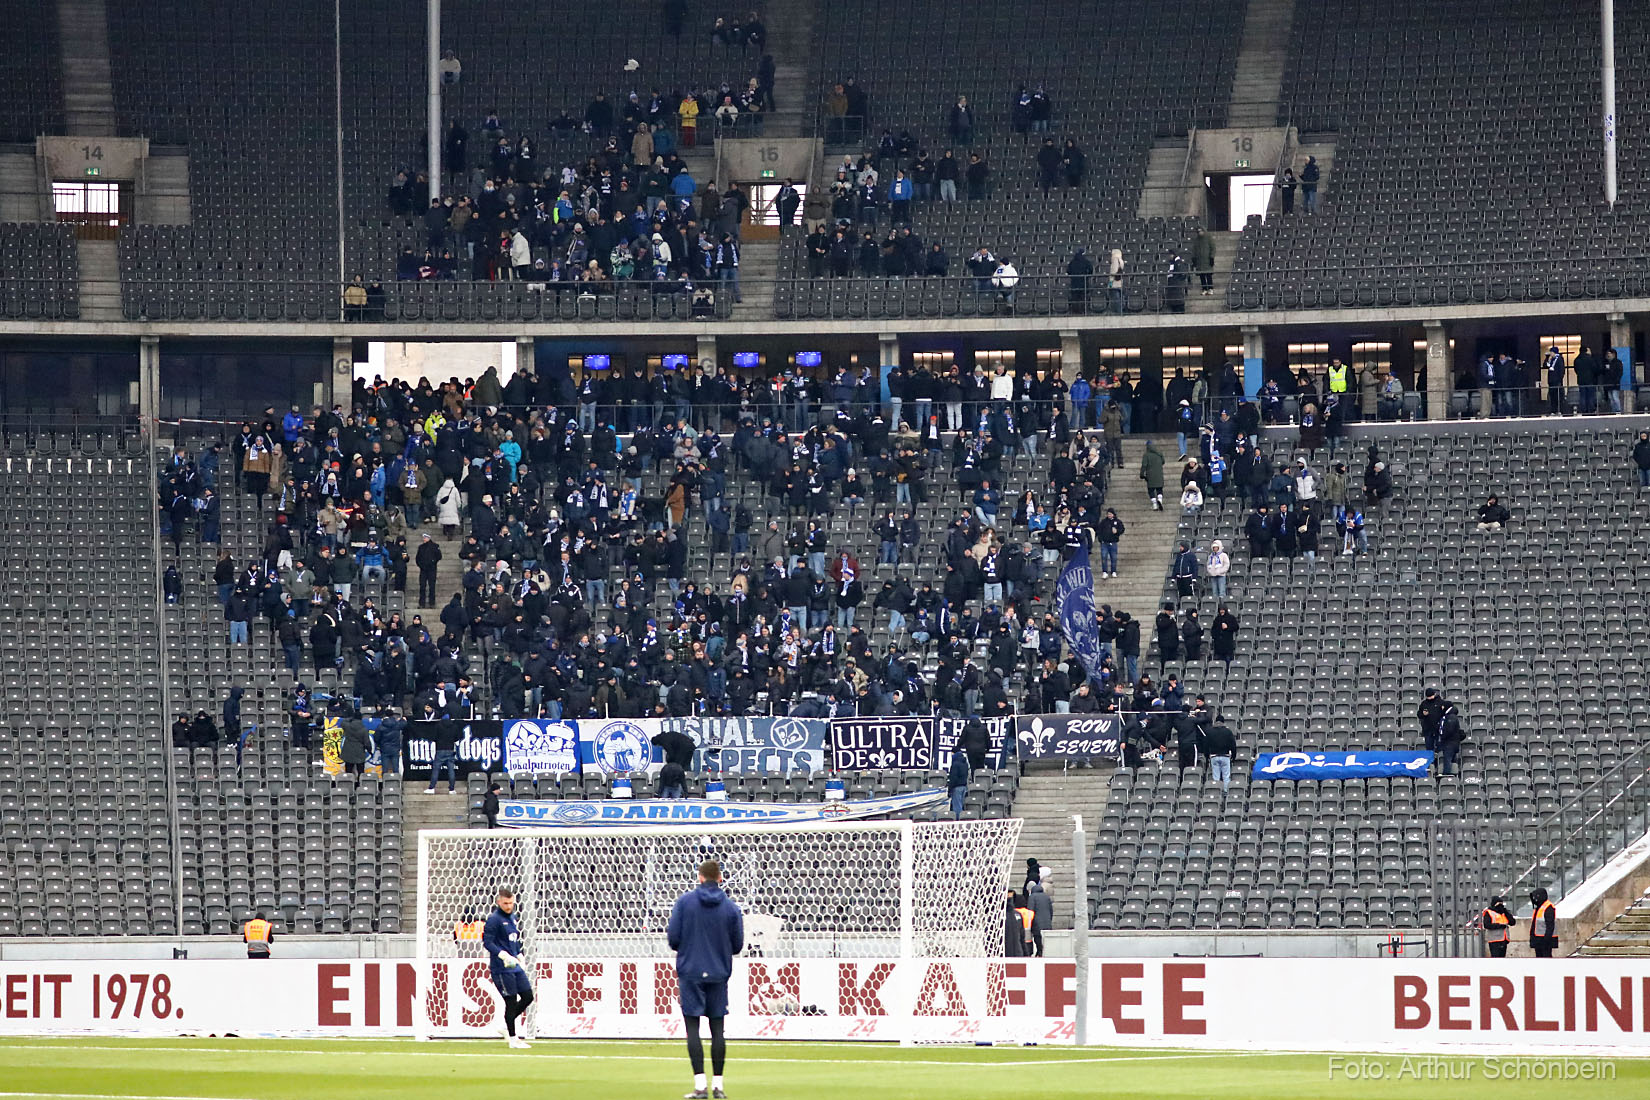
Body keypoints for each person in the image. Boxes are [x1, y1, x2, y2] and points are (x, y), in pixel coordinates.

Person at [668, 860, 744, 1100]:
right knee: (717, 1028)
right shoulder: (731, 908)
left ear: (700, 877)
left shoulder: (684, 903)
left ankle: (700, 1085)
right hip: (718, 972)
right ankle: (718, 1086)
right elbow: (738, 945)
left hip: (691, 971)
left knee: (693, 1028)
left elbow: (673, 939)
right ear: (719, 878)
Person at [484, 888, 535, 1048]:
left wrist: (519, 954)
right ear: (499, 902)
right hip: (501, 967)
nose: (508, 906)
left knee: (527, 996)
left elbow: (513, 939)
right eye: (505, 903)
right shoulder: (494, 920)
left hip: (514, 965)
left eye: (511, 903)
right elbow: (488, 942)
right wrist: (502, 955)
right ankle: (513, 1039)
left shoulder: (513, 917)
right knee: (511, 1001)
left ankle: (506, 1025)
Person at [1204, 714, 1236, 791]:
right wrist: (1233, 756)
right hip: (1225, 756)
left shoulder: (1210, 731)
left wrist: (1207, 756)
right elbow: (1233, 745)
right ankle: (1225, 792)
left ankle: (1216, 792)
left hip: (1214, 756)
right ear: (1223, 722)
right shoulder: (1228, 731)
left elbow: (1205, 745)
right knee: (1226, 777)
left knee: (1216, 777)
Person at [1026, 880, 1053, 957]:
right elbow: (1051, 910)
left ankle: (1039, 952)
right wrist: (1049, 920)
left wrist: (1029, 924)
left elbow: (1030, 911)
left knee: (1038, 939)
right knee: (1046, 941)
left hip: (1036, 923)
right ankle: (1043, 953)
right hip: (1047, 923)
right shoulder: (1047, 897)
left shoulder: (1032, 897)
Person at [1528, 888, 1558, 957]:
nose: (1534, 899)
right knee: (1539, 958)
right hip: (1538, 939)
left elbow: (1550, 925)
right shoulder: (1539, 907)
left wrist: (1547, 939)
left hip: (1544, 939)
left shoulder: (1548, 907)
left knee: (1546, 957)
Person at [1437, 703, 1463, 776]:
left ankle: (1446, 774)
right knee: (1452, 759)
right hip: (1452, 742)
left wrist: (1443, 737)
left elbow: (1449, 731)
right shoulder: (1450, 716)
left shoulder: (1450, 717)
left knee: (1447, 758)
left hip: (1449, 743)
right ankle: (1452, 774)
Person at [1138, 439, 1165, 509]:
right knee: (1159, 489)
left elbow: (1144, 465)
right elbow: (1163, 461)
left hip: (1150, 475)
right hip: (1159, 474)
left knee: (1151, 490)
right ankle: (1160, 499)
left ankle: (1154, 504)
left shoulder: (1146, 455)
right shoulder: (1159, 453)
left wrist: (1141, 474)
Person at [946, 746, 970, 819]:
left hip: (956, 787)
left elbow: (953, 778)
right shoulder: (965, 763)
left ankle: (958, 822)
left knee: (957, 807)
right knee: (960, 805)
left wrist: (950, 789)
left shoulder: (955, 764)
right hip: (964, 786)